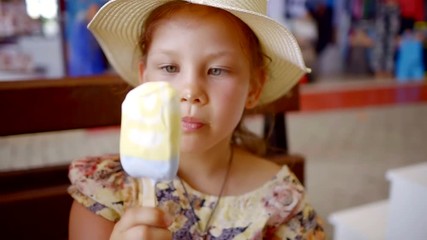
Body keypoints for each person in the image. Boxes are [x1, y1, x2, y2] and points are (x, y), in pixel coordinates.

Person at [67, 0, 325, 239]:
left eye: (217, 70)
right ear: (144, 79)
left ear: (253, 88)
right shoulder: (105, 194)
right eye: (170, 68)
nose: (190, 92)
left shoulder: (283, 202)